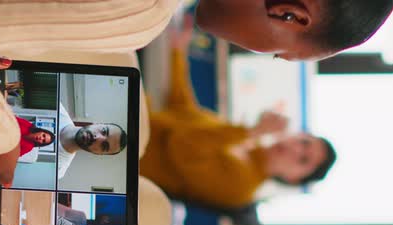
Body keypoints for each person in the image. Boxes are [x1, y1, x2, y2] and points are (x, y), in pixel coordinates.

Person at [0, 0, 393, 217]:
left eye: (301, 156)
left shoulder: (240, 180)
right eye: (276, 50)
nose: (257, 52)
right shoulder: (143, 12)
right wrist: (2, 135)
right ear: (289, 13)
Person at [140, 23, 337, 209]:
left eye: (303, 160)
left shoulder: (242, 188)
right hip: (138, 116)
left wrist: (253, 131)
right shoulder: (246, 143)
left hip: (130, 148)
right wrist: (178, 51)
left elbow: (182, 144)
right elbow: (182, 109)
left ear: (293, 179)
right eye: (304, 142)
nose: (294, 149)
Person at [57, 104, 127, 178]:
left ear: (98, 153)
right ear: (98, 124)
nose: (97, 138)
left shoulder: (58, 170)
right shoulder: (57, 108)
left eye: (104, 146)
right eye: (103, 131)